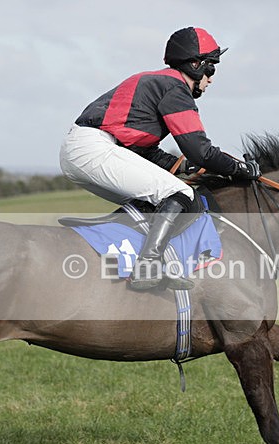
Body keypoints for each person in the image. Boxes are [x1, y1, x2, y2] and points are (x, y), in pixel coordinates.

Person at [60, 27, 261, 291]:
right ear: (195, 65)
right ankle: (147, 265)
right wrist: (239, 168)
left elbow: (144, 150)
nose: (211, 79)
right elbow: (200, 150)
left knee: (155, 200)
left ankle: (146, 261)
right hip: (93, 148)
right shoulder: (174, 89)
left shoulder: (158, 82)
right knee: (181, 194)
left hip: (85, 150)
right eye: (211, 69)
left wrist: (182, 166)